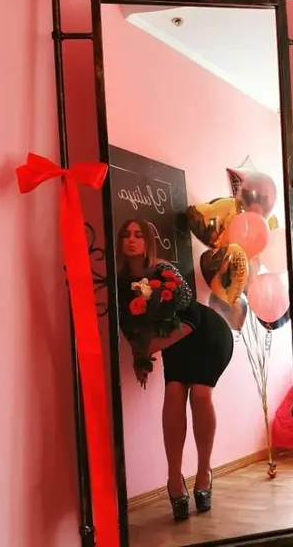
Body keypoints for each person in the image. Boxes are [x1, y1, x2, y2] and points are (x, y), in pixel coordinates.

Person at [116, 217, 234, 521]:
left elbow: (189, 315)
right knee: (174, 394)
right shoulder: (121, 283)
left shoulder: (164, 270)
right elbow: (129, 327)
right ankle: (173, 479)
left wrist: (149, 348)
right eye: (126, 235)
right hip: (175, 342)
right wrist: (139, 355)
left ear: (148, 242)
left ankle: (204, 473)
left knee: (200, 395)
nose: (132, 239)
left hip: (204, 332)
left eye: (139, 234)